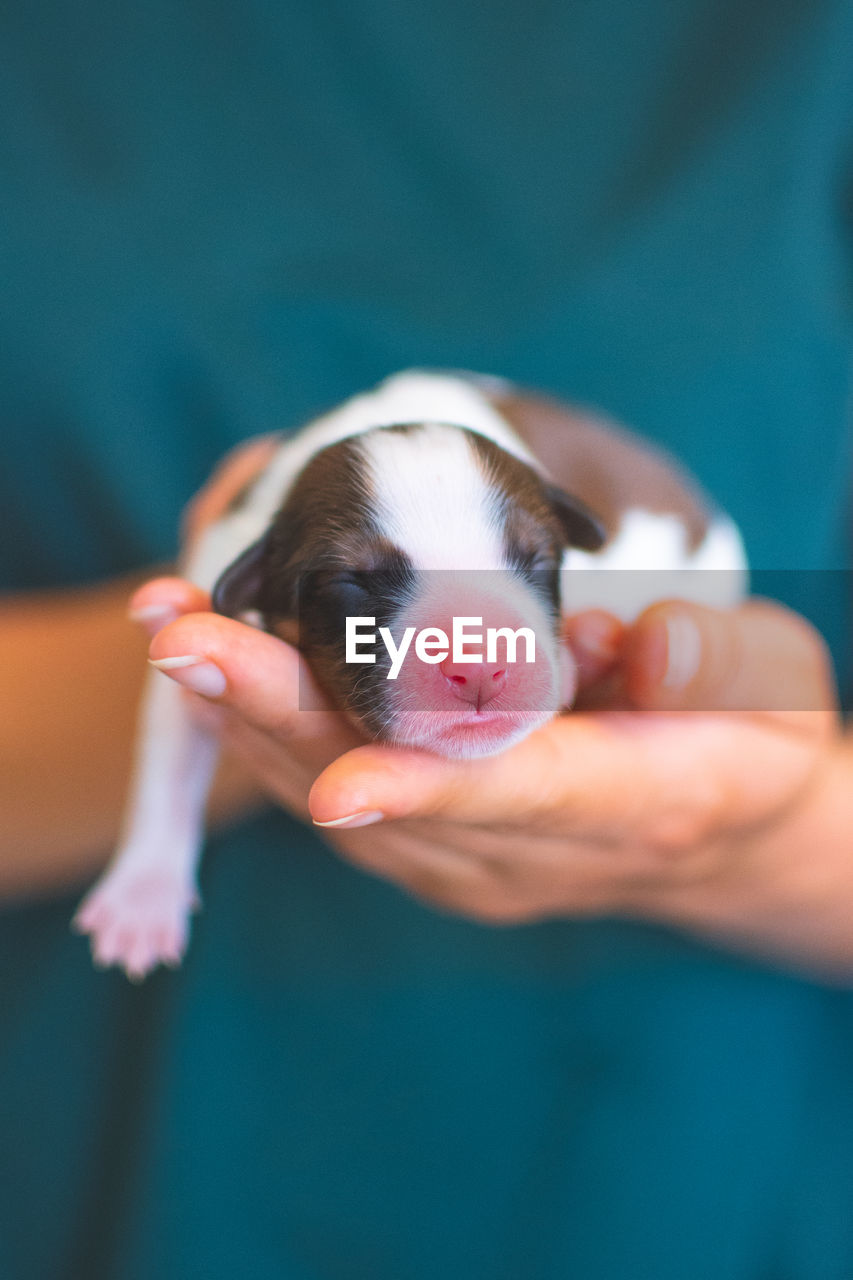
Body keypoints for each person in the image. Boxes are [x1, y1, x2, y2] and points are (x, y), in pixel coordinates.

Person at [1, 2, 851, 1277]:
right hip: (121, 1158)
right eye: (358, 589)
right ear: (262, 587)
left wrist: (782, 843)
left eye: (525, 578)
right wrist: (178, 803)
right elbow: (197, 674)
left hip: (702, 1148)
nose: (476, 652)